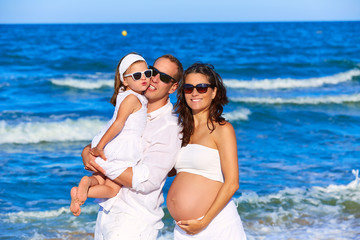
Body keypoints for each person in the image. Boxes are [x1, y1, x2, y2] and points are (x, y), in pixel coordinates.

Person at [81, 54, 183, 239]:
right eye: (153, 71)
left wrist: (98, 163)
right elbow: (109, 140)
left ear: (173, 87)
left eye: (165, 77)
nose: (154, 78)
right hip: (107, 215)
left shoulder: (169, 127)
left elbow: (146, 181)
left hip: (133, 223)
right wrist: (87, 150)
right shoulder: (133, 107)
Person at [167, 63, 247, 239]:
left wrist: (204, 222)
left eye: (202, 88)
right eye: (189, 88)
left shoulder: (222, 129)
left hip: (214, 225)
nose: (194, 93)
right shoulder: (179, 130)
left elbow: (232, 183)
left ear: (214, 92)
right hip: (183, 230)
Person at [70, 52, 152, 216]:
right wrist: (99, 147)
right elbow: (118, 123)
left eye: (147, 73)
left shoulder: (127, 95)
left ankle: (85, 186)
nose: (144, 78)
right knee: (113, 189)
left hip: (112, 142)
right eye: (137, 75)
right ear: (125, 80)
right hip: (120, 145)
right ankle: (85, 192)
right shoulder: (133, 98)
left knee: (100, 178)